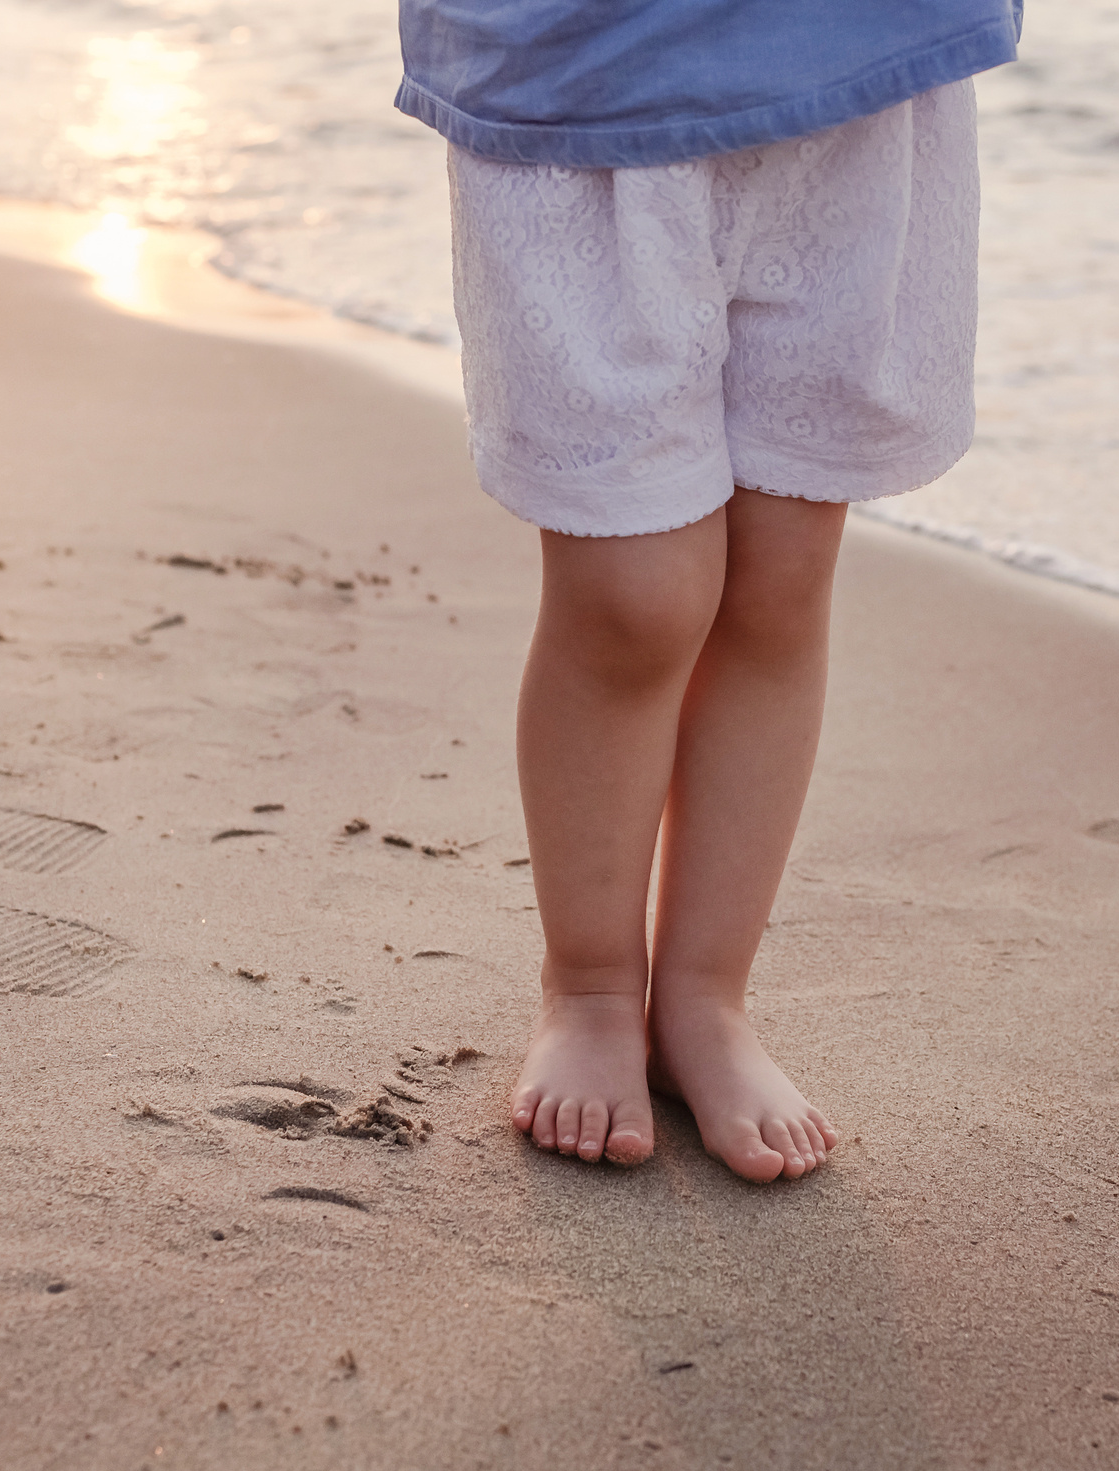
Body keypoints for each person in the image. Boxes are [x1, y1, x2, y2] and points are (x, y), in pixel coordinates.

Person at [395, 2, 1022, 1182]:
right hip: (582, 82)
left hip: (857, 67)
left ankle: (704, 998)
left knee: (781, 572)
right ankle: (588, 988)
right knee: (633, 595)